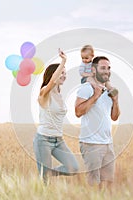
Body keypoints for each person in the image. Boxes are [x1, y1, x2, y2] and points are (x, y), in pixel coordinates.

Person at [33, 49, 79, 183]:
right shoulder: (44, 93)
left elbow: (55, 83)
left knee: (73, 168)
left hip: (58, 140)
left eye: (65, 73)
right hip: (43, 140)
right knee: (45, 183)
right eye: (61, 72)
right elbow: (52, 82)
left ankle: (48, 173)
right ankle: (44, 178)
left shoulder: (59, 94)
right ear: (53, 75)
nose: (64, 75)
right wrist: (64, 61)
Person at [75, 56, 120, 189]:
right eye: (103, 68)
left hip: (107, 144)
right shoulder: (86, 88)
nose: (106, 71)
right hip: (91, 144)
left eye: (108, 68)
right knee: (93, 185)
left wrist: (116, 100)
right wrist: (95, 96)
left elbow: (114, 117)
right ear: (93, 70)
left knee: (108, 185)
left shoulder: (109, 91)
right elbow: (78, 111)